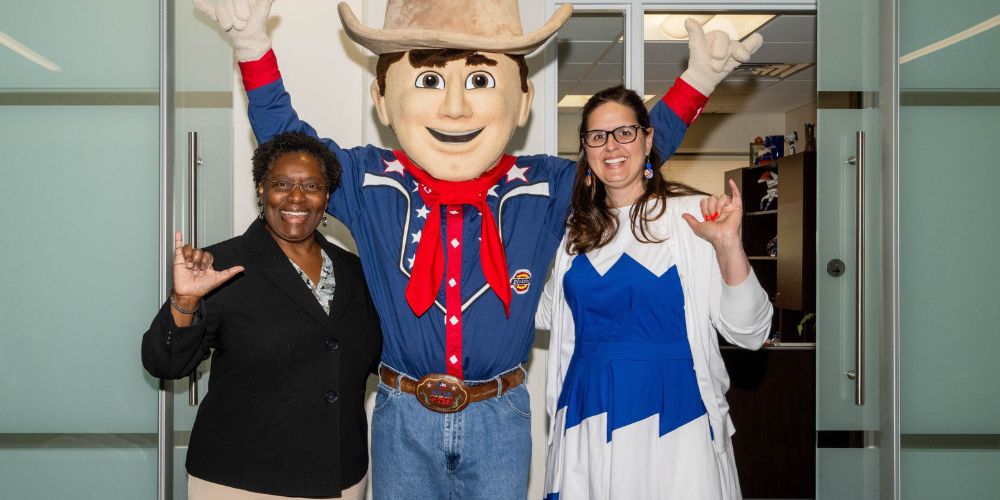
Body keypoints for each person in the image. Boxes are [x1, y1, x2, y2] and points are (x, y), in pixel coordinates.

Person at [192, 0, 761, 497]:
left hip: (500, 415)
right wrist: (252, 48)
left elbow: (627, 155)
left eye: (482, 83)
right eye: (431, 82)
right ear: (383, 99)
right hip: (402, 414)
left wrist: (698, 81)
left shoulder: (544, 185)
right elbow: (289, 149)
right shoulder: (370, 182)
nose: (457, 110)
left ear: (522, 101)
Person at [536, 85, 773, 500]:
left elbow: (750, 332)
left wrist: (727, 245)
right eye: (597, 136)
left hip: (673, 410)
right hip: (586, 406)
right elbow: (542, 315)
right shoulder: (575, 233)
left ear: (648, 140)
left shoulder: (692, 216)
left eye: (624, 132)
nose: (611, 146)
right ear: (586, 151)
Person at [141, 132, 382, 499]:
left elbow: (382, 359)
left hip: (340, 477)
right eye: (282, 184)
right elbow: (165, 363)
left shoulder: (356, 272)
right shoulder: (219, 267)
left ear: (327, 197)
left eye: (312, 185)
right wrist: (184, 300)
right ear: (260, 190)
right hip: (242, 479)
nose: (297, 197)